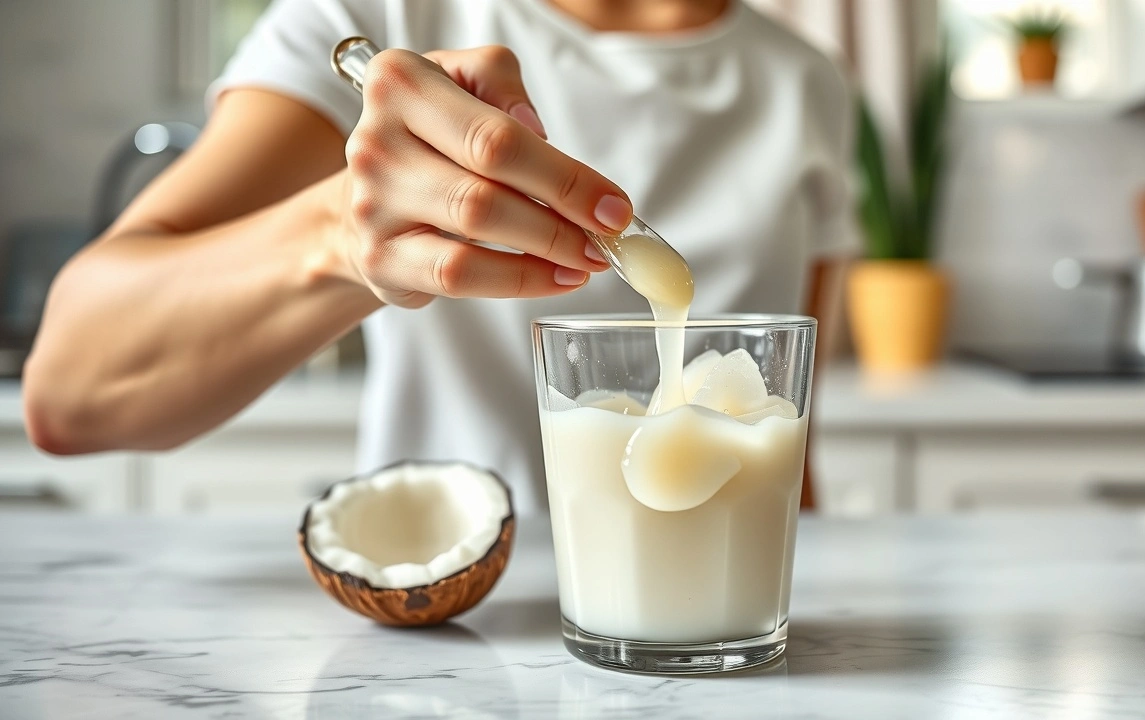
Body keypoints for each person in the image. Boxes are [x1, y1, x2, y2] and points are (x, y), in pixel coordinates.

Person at [23, 0, 855, 512]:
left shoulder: (807, 83)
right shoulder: (383, 20)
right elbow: (68, 393)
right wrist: (343, 238)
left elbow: (782, 451)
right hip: (450, 634)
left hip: (710, 632)